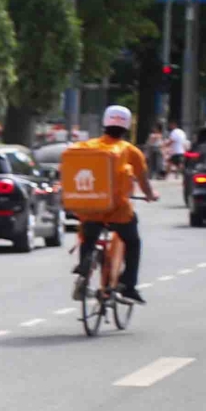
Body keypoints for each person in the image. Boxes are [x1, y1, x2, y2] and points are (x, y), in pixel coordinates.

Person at [72, 103, 157, 305]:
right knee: (133, 242)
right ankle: (128, 286)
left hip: (90, 210)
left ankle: (84, 267)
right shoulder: (130, 151)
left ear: (104, 123)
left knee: (88, 235)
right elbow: (143, 181)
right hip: (118, 212)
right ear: (127, 126)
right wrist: (151, 195)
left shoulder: (86, 147)